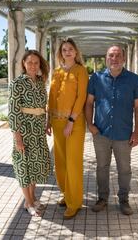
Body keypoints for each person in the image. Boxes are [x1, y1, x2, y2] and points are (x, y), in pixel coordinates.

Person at [85, 45, 138, 215]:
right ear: (107, 58)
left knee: (124, 169)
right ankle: (102, 198)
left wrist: (136, 132)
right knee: (102, 167)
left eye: (118, 55)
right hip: (101, 133)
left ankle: (124, 200)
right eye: (111, 55)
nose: (115, 58)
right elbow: (89, 103)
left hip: (123, 134)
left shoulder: (133, 79)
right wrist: (90, 124)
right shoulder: (96, 78)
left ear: (123, 58)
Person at [47, 38, 89, 220]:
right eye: (64, 50)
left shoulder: (81, 71)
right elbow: (51, 96)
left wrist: (71, 120)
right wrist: (48, 119)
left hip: (74, 122)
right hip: (56, 122)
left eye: (70, 49)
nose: (67, 52)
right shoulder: (56, 72)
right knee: (60, 162)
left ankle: (75, 202)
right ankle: (66, 194)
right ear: (60, 53)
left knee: (73, 162)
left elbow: (81, 97)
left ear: (76, 52)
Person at [8, 50, 51, 216]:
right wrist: (17, 137)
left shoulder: (41, 82)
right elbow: (13, 111)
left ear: (40, 65)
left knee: (35, 166)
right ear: (24, 64)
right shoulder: (17, 83)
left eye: (36, 62)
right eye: (30, 62)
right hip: (24, 130)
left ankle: (32, 198)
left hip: (38, 131)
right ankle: (28, 202)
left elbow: (44, 107)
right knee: (24, 166)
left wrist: (47, 123)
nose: (33, 65)